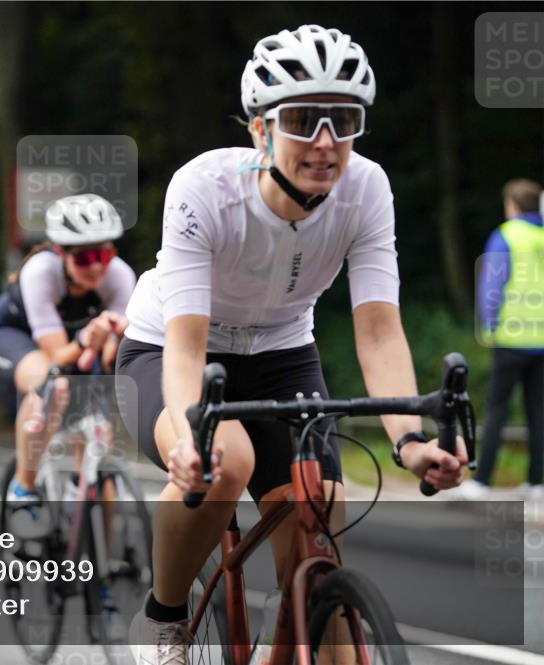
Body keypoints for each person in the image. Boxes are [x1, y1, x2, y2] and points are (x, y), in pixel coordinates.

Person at [114, 25, 468, 664]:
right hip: (170, 351)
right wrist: (191, 438)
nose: (327, 142)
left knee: (319, 541)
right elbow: (187, 345)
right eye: (304, 119)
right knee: (226, 459)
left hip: (282, 356)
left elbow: (379, 329)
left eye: (345, 119)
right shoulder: (204, 189)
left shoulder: (366, 188)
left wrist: (410, 440)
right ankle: (164, 615)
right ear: (260, 128)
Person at [0, 193, 136, 495]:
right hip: (15, 338)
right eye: (83, 258)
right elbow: (59, 355)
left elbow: (108, 360)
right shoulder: (40, 271)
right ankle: (23, 488)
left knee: (96, 443)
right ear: (59, 252)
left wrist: (117, 338)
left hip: (75, 347)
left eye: (103, 256)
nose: (96, 267)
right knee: (52, 385)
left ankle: (99, 534)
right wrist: (85, 338)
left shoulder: (119, 275)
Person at [456, 179, 544, 500]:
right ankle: (536, 483)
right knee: (538, 412)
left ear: (513, 206)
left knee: (496, 410)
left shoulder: (506, 235)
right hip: (542, 340)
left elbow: (492, 286)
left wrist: (488, 326)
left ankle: (482, 482)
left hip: (511, 336)